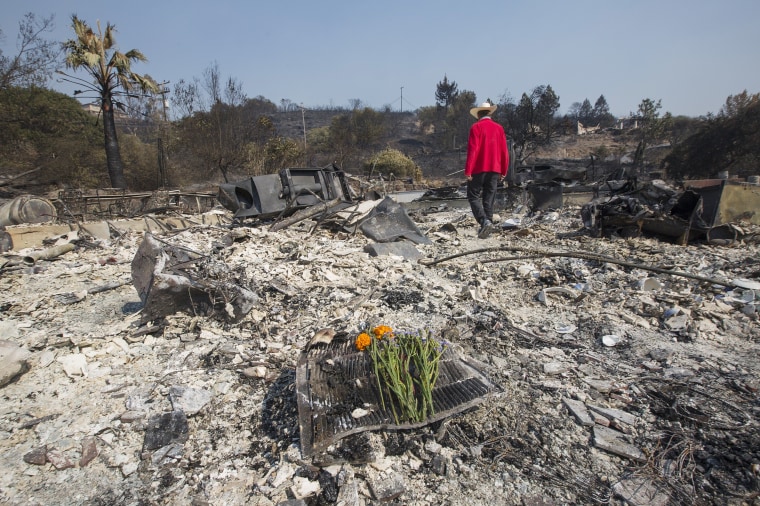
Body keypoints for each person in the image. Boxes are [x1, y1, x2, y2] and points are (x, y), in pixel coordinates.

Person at [464, 100, 510, 239]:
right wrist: (504, 171)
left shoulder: (476, 127)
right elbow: (504, 152)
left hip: (479, 168)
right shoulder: (499, 128)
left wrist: (468, 170)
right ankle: (488, 223)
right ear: (489, 113)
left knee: (473, 196)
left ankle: (484, 221)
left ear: (478, 115)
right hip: (495, 168)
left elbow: (473, 150)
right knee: (489, 197)